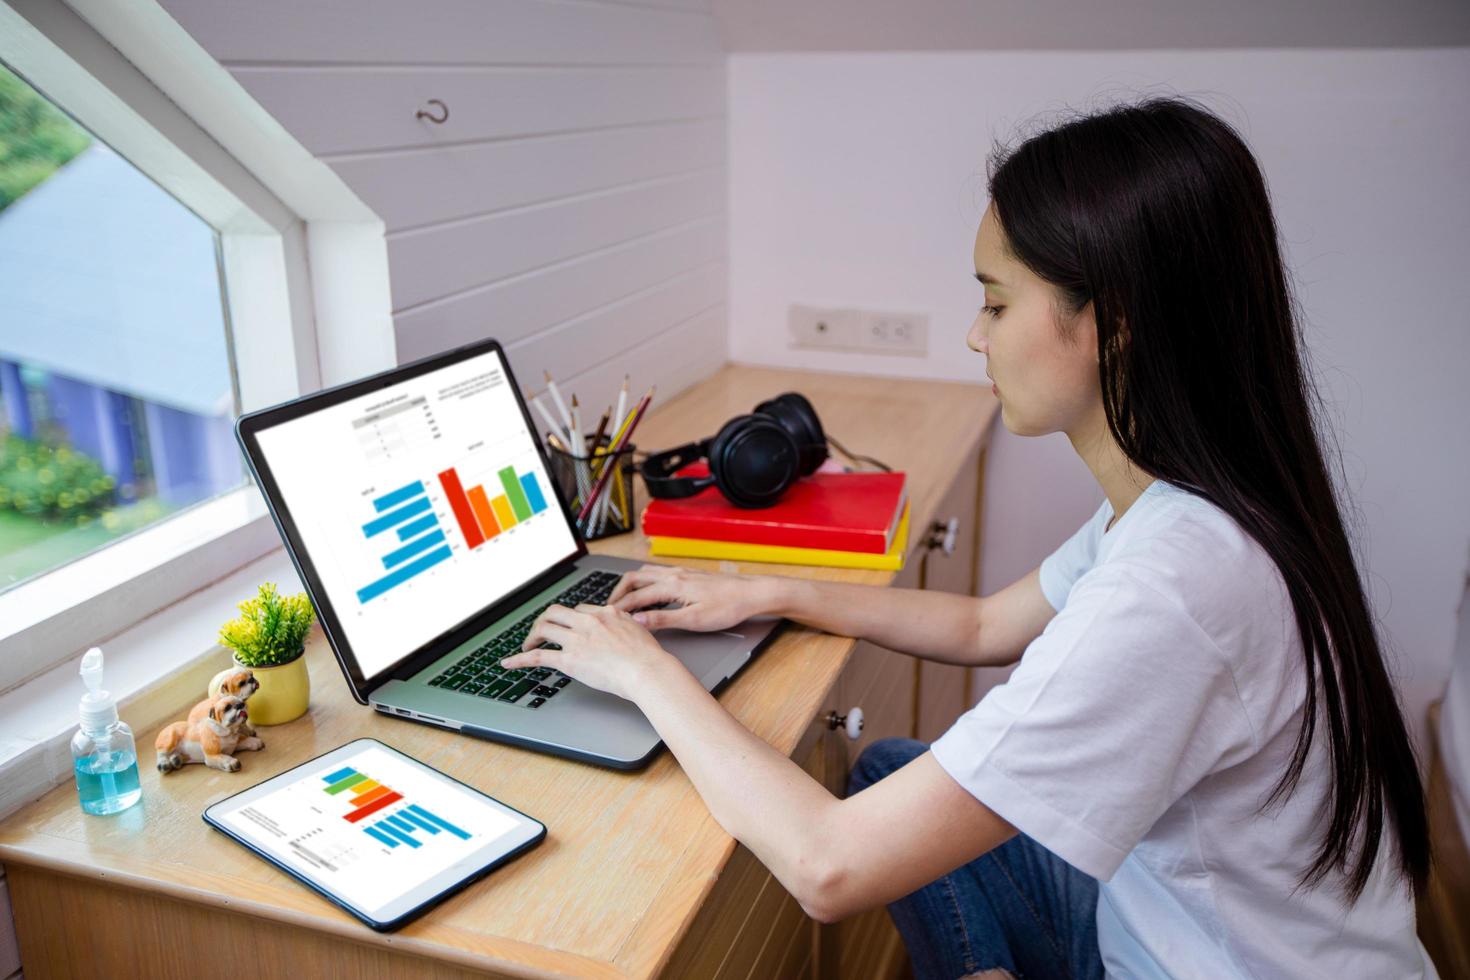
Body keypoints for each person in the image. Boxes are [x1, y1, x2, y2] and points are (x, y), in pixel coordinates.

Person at [499, 96, 1435, 979]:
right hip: (1158, 912)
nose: (973, 337)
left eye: (994, 302)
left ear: (1113, 325)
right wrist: (771, 591)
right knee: (889, 771)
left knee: (857, 818)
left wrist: (641, 670)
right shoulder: (1191, 504)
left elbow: (828, 867)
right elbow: (987, 624)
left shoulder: (1177, 587)